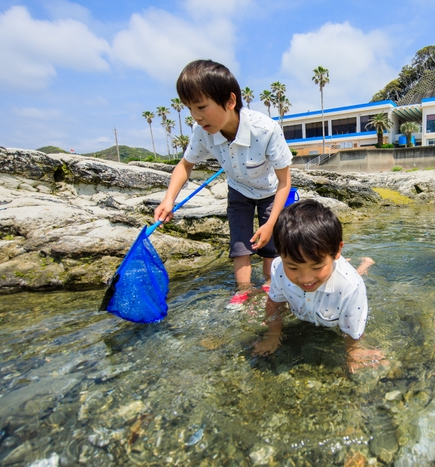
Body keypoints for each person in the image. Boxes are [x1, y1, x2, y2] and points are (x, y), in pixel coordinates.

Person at [154, 60, 292, 301]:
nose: (196, 117)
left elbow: (284, 183)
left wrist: (270, 224)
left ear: (230, 101)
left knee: (270, 244)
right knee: (240, 242)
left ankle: (271, 283)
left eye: (201, 107)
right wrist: (168, 199)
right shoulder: (202, 133)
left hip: (270, 191)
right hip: (238, 191)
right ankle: (243, 291)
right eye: (190, 109)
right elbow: (185, 165)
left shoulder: (266, 130)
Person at [252, 199, 382, 373]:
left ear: (337, 251)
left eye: (316, 266)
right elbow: (274, 303)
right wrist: (273, 334)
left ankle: (365, 265)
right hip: (331, 273)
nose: (305, 278)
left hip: (342, 281)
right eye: (293, 267)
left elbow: (353, 329)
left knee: (349, 279)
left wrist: (353, 350)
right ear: (280, 254)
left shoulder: (351, 287)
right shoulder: (278, 267)